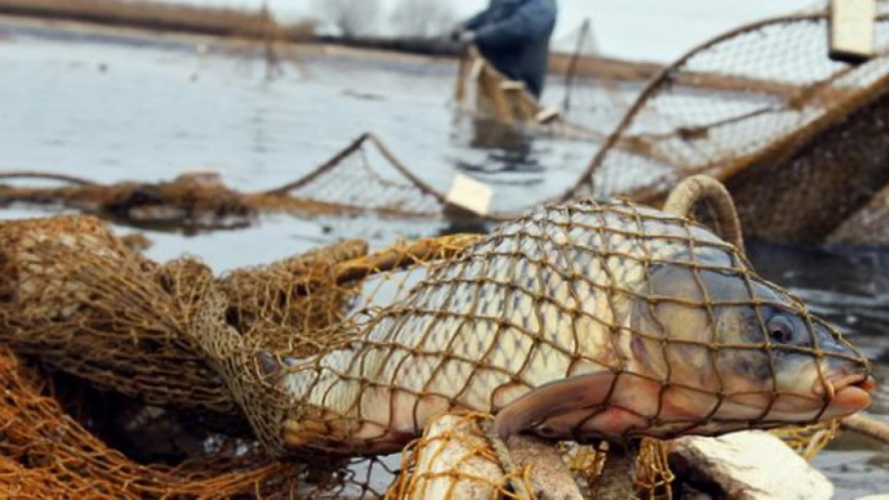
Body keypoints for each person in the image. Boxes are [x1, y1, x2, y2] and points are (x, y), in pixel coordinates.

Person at [452, 0, 558, 99]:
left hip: (519, 81)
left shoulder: (543, 4)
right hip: (492, 76)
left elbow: (522, 26)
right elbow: (489, 15)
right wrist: (466, 25)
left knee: (515, 116)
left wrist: (477, 36)